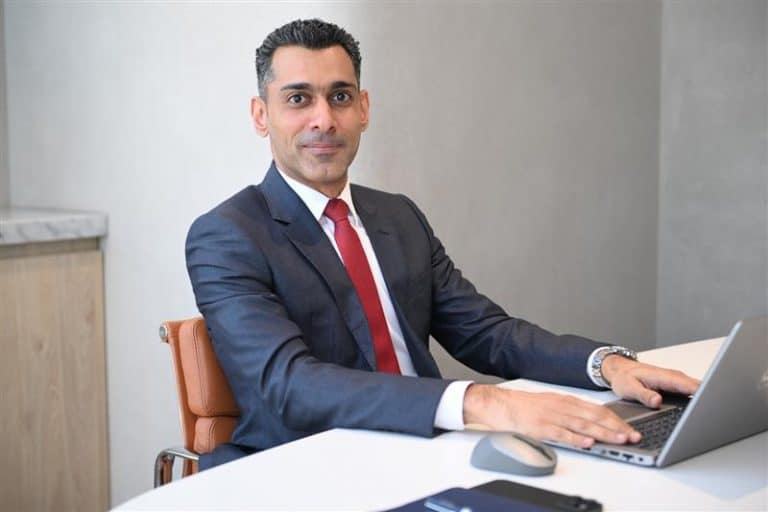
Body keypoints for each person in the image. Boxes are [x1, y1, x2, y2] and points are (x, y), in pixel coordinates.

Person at [186, 18, 699, 469]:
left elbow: (486, 332)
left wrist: (606, 365)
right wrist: (486, 403)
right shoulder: (227, 234)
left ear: (363, 108)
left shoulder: (397, 215)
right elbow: (288, 384)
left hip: (429, 450)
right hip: (311, 464)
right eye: (298, 99)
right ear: (261, 115)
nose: (324, 119)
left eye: (340, 96)